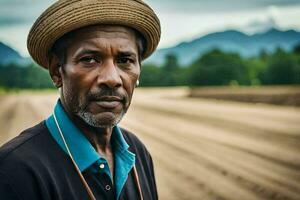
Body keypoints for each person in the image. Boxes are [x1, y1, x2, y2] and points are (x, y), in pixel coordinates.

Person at [0, 0, 161, 199]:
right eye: (89, 59)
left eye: (125, 60)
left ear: (138, 72)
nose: (111, 79)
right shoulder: (15, 170)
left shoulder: (138, 152)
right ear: (56, 71)